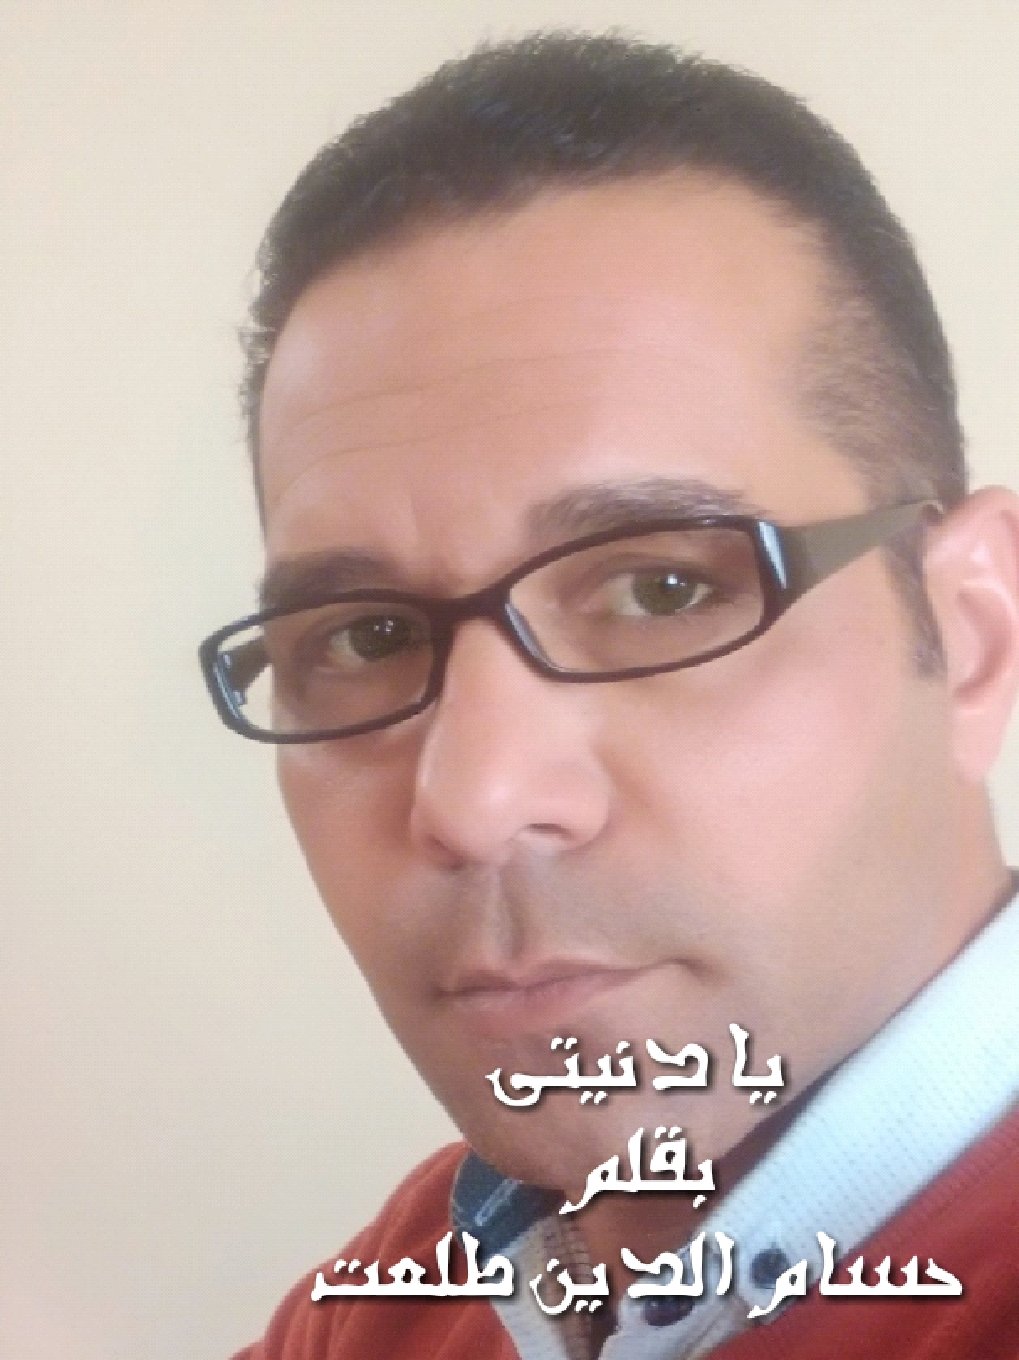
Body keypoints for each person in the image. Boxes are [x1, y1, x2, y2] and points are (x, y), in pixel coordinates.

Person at [202, 32, 1019, 1360]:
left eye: (660, 589)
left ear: (972, 638)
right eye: (366, 635)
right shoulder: (397, 1300)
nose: (474, 799)